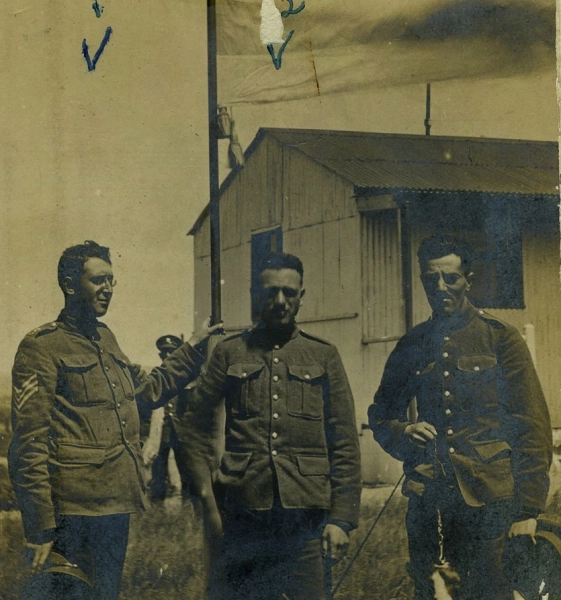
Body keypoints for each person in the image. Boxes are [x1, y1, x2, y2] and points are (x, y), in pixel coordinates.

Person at [8, 240, 221, 600]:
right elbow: (29, 443)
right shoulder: (41, 346)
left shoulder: (106, 338)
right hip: (73, 513)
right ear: (70, 285)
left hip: (114, 506)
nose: (108, 289)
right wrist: (40, 527)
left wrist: (194, 346)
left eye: (111, 280)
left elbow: (149, 392)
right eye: (98, 280)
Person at [368, 234, 552, 600]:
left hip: (492, 504)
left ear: (468, 279)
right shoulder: (412, 344)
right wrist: (405, 431)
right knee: (434, 593)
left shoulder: (501, 339)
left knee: (491, 592)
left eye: (450, 278)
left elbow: (532, 427)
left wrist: (527, 509)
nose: (440, 287)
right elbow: (381, 415)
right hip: (430, 503)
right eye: (431, 279)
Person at [187, 252, 361, 600]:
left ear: (301, 296)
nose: (280, 301)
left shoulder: (323, 355)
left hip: (306, 526)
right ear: (255, 294)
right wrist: (208, 498)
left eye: (289, 292)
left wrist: (340, 519)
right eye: (271, 292)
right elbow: (194, 427)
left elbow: (343, 441)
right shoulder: (229, 352)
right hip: (244, 522)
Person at [147, 334, 196, 501]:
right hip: (164, 431)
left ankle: (188, 506)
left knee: (186, 470)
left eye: (171, 352)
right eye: (165, 352)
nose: (168, 355)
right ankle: (157, 506)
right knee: (158, 469)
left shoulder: (188, 375)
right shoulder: (158, 376)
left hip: (183, 431)